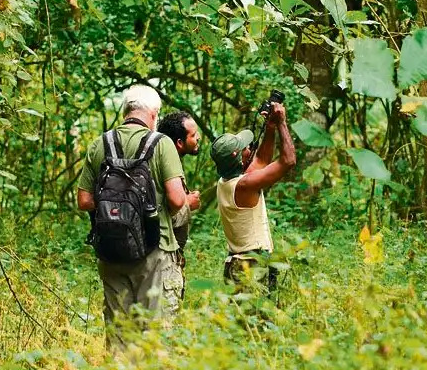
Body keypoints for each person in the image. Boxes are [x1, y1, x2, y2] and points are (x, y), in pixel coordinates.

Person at [76, 84, 187, 351]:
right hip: (154, 249)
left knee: (119, 335)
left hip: (111, 250)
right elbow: (176, 199)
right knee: (153, 333)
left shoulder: (100, 144)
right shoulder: (162, 144)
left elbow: (84, 201)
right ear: (154, 113)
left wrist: (116, 211)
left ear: (126, 111)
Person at [209, 101, 296, 297]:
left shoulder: (226, 181)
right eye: (245, 148)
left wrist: (271, 128)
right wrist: (282, 122)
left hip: (237, 265)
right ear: (237, 157)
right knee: (259, 322)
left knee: (242, 325)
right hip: (252, 266)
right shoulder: (244, 185)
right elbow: (288, 160)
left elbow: (261, 161)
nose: (249, 148)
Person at [157, 111, 203, 297]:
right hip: (163, 258)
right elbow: (166, 217)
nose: (198, 137)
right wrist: (188, 204)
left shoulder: (170, 161)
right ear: (179, 143)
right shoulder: (165, 165)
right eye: (193, 135)